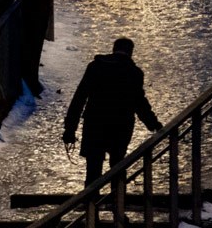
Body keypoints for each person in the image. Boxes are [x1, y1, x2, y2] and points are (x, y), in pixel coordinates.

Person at [62, 37, 163, 188]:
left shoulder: (95, 67)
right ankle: (118, 203)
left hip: (95, 125)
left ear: (113, 49)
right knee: (118, 166)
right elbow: (140, 103)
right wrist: (154, 125)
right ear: (131, 52)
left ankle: (91, 204)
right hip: (121, 126)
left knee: (93, 171)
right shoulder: (134, 72)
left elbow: (79, 98)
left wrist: (70, 129)